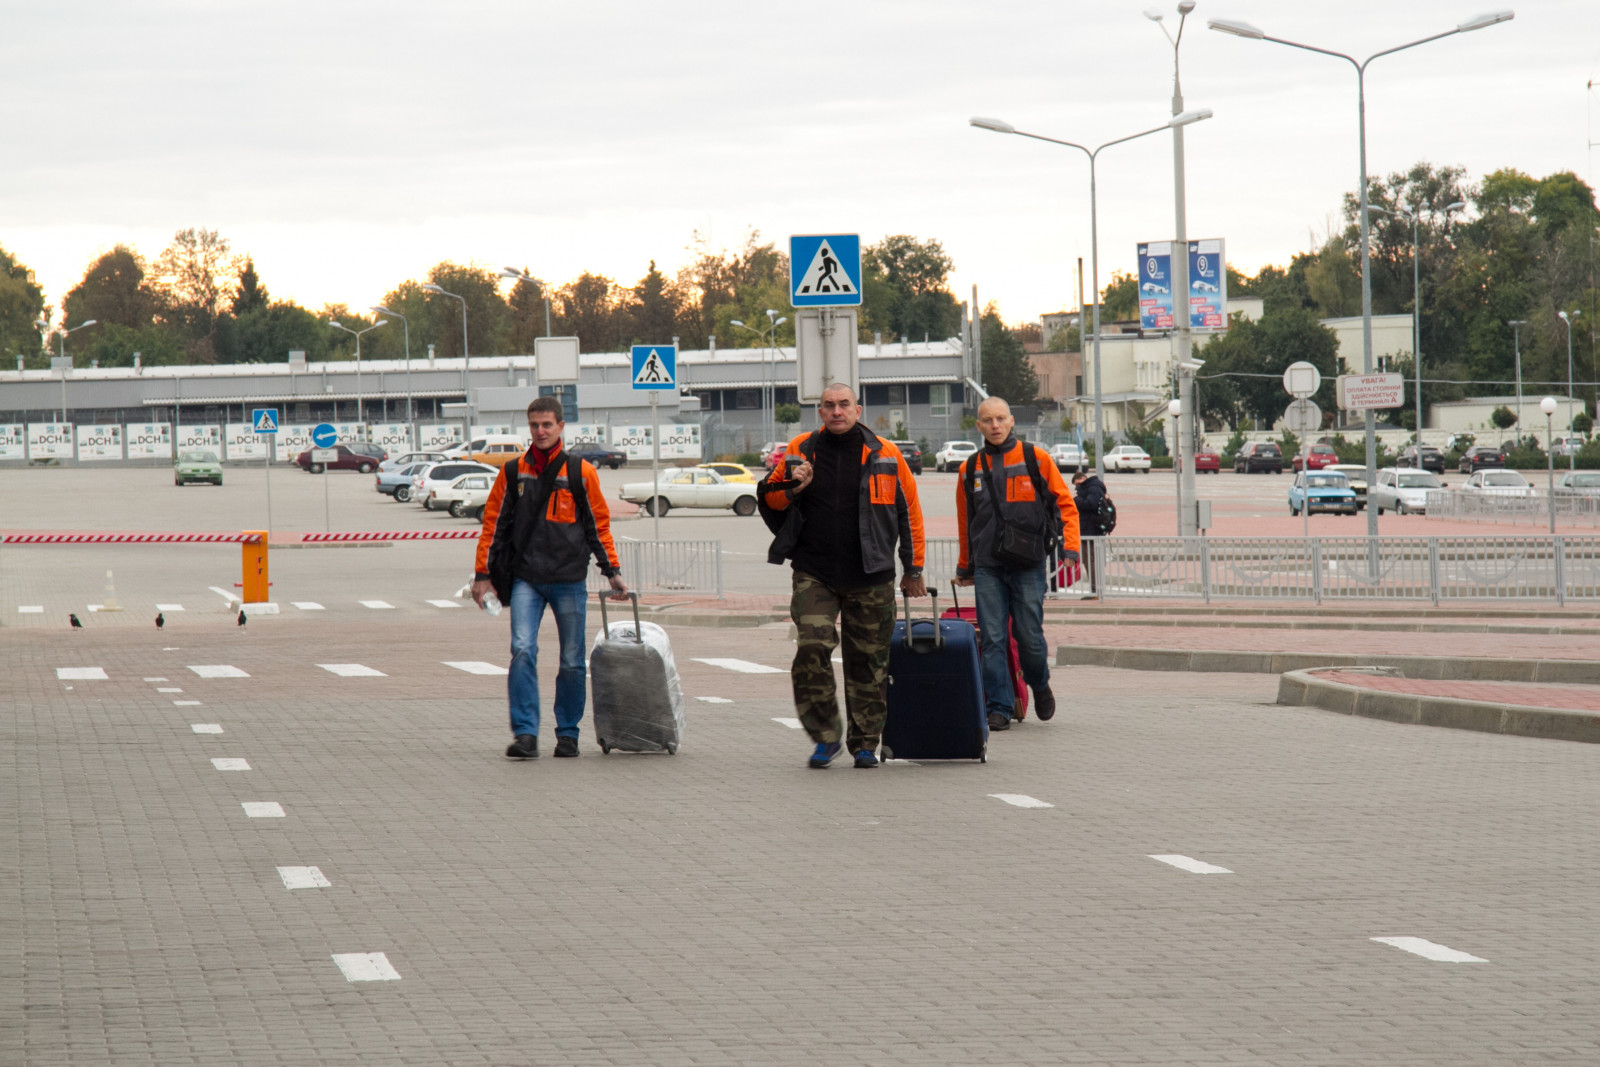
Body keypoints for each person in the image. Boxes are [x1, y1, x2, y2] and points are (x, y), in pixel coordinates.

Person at [759, 383, 927, 769]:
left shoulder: (886, 453)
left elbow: (910, 514)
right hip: (814, 572)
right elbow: (769, 499)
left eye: (844, 405)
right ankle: (825, 736)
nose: (837, 411)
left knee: (868, 661)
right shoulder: (801, 448)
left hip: (872, 574)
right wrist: (790, 483)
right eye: (829, 406)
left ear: (858, 409)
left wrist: (913, 568)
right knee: (811, 649)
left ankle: (865, 743)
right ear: (820, 412)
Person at [472, 397, 628, 760]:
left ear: (561, 427)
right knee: (523, 650)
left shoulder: (580, 472)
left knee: (573, 660)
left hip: (569, 580)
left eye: (546, 425)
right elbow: (493, 525)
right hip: (526, 579)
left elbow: (597, 526)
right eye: (534, 425)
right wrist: (482, 575)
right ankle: (526, 734)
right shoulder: (513, 472)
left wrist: (613, 572)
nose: (540, 431)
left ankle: (568, 734)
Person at [953, 398, 1079, 731]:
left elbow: (1065, 505)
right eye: (986, 420)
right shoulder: (969, 469)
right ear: (978, 426)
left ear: (1011, 422)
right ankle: (999, 706)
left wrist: (1071, 549)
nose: (994, 425)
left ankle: (1039, 684)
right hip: (988, 567)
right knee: (993, 638)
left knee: (1029, 637)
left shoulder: (1035, 459)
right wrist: (965, 566)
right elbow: (966, 522)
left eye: (999, 419)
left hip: (1028, 564)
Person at [1071, 469, 1109, 599]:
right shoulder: (1094, 487)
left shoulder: (1093, 487)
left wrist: (1077, 500)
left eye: (1077, 484)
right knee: (1090, 559)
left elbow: (1091, 504)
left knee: (1090, 559)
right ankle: (1095, 590)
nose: (1077, 487)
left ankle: (1095, 590)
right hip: (1089, 528)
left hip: (1090, 529)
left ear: (1082, 479)